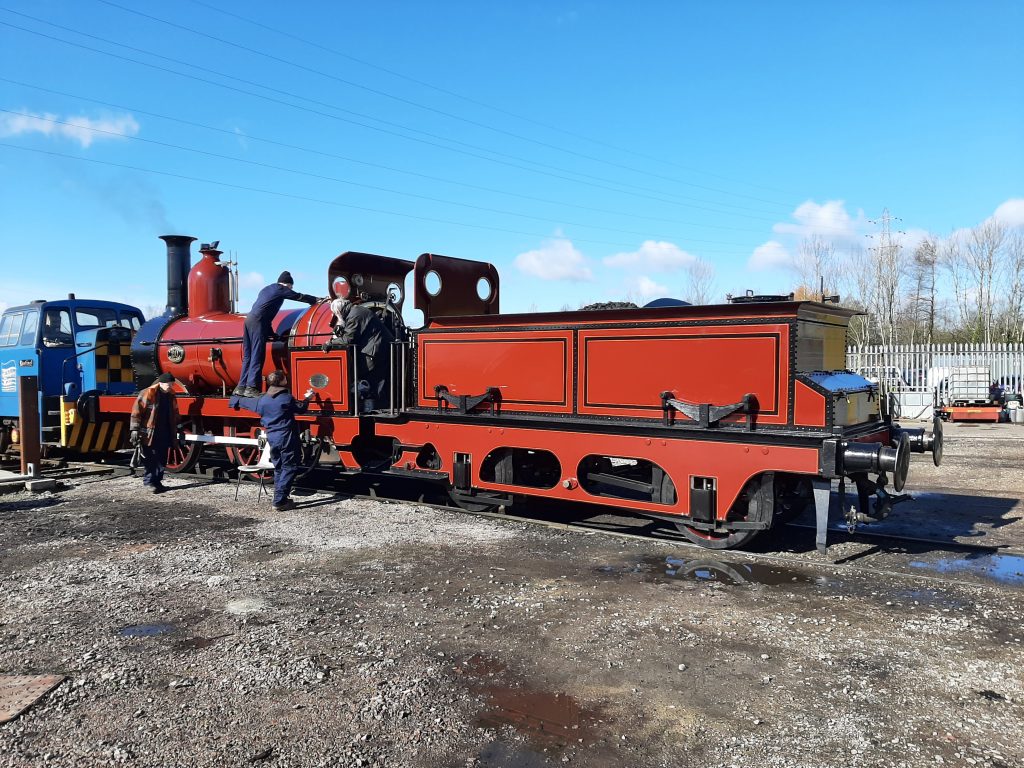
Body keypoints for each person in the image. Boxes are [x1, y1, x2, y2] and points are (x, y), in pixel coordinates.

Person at [231, 370, 314, 511]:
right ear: (281, 381)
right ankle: (279, 500)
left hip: (272, 436)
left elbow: (248, 404)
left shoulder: (262, 399)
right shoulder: (286, 398)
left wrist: (235, 400)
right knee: (290, 466)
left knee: (279, 467)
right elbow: (300, 409)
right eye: (284, 378)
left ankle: (282, 497)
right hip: (286, 435)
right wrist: (308, 398)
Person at [235, 272, 318, 398]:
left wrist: (272, 334)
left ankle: (240, 387)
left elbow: (264, 312)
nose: (290, 289)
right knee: (258, 355)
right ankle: (251, 387)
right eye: (290, 287)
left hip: (249, 320)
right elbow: (298, 296)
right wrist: (316, 300)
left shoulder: (267, 289)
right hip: (258, 322)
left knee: (248, 355)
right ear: (288, 284)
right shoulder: (281, 289)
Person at [327, 296, 394, 412]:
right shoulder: (356, 310)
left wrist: (330, 343)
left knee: (371, 378)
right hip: (377, 347)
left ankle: (375, 407)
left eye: (335, 313)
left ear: (338, 311)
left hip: (374, 350)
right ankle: (378, 406)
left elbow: (348, 339)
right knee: (377, 378)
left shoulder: (354, 315)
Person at [129, 372, 180, 493]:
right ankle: (149, 482)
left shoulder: (171, 395)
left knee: (162, 458)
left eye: (172, 384)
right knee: (151, 458)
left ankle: (157, 481)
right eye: (169, 384)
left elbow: (175, 412)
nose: (171, 386)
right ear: (161, 383)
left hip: (165, 430)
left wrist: (179, 426)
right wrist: (135, 429)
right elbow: (136, 411)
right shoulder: (148, 393)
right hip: (150, 432)